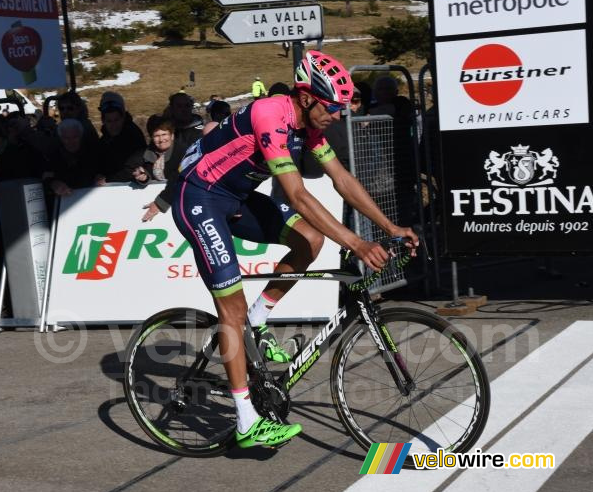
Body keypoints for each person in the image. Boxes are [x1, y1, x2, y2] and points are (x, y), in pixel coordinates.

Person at [169, 50, 419, 448]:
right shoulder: (271, 114)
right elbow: (299, 196)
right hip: (199, 198)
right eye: (333, 107)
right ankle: (246, 421)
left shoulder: (310, 128)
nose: (338, 115)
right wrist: (356, 242)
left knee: (311, 240)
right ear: (307, 98)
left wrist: (389, 226)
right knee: (229, 309)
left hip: (235, 197)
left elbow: (342, 179)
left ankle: (260, 315)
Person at [141, 92, 203, 220]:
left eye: (187, 105)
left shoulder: (200, 131)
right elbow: (152, 159)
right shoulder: (165, 129)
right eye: (179, 106)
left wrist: (162, 202)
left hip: (189, 197)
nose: (183, 109)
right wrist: (144, 175)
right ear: (172, 108)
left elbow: (184, 170)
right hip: (164, 195)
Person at [95, 91, 147, 185]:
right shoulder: (104, 139)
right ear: (103, 121)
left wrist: (108, 180)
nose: (113, 125)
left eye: (116, 120)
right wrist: (99, 174)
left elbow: (132, 169)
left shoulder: (133, 135)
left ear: (123, 117)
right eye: (109, 121)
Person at [42, 118, 100, 196]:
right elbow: (45, 180)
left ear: (81, 136)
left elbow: (104, 171)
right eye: (66, 138)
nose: (71, 141)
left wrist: (100, 177)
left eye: (75, 137)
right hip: (65, 201)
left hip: (91, 197)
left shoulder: (93, 153)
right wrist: (53, 184)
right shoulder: (53, 157)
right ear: (61, 138)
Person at [133, 115, 174, 185]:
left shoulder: (183, 152)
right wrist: (143, 178)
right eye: (156, 136)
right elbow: (146, 176)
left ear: (172, 135)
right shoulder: (145, 155)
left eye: (164, 134)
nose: (161, 139)